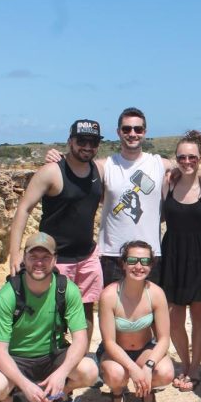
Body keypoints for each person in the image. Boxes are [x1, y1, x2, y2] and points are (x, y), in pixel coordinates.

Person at [0, 233, 98, 402]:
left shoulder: (66, 290)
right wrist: (25, 386)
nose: (39, 263)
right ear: (24, 259)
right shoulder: (9, 294)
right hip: (17, 358)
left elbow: (80, 339)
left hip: (53, 355)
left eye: (45, 257)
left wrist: (61, 374)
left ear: (55, 260)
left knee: (90, 371)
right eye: (33, 257)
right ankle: (9, 401)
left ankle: (58, 395)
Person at [46, 108, 177, 286]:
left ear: (144, 132)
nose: (132, 134)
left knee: (148, 311)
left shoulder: (160, 165)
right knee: (111, 310)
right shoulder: (104, 166)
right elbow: (76, 166)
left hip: (150, 255)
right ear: (118, 132)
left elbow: (190, 168)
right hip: (112, 255)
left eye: (138, 129)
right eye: (126, 129)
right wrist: (58, 157)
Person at [9, 119, 104, 341]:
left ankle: (81, 359)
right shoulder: (52, 171)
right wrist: (14, 252)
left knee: (86, 310)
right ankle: (51, 359)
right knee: (53, 312)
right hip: (56, 258)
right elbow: (24, 209)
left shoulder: (98, 169)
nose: (87, 146)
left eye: (93, 142)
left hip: (87, 255)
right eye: (82, 141)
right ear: (70, 141)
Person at [98, 240, 175, 402]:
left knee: (165, 373)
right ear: (123, 264)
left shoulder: (156, 294)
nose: (138, 266)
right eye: (132, 260)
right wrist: (132, 368)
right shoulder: (109, 295)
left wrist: (147, 367)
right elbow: (109, 342)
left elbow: (164, 339)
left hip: (144, 349)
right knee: (116, 375)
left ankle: (147, 390)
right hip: (116, 352)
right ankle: (117, 393)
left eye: (145, 261)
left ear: (151, 265)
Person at [159, 131, 201, 392]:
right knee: (174, 317)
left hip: (200, 254)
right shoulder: (168, 182)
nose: (187, 161)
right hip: (172, 253)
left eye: (192, 157)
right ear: (175, 158)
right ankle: (185, 363)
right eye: (182, 156)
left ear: (200, 158)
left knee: (199, 314)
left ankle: (195, 368)